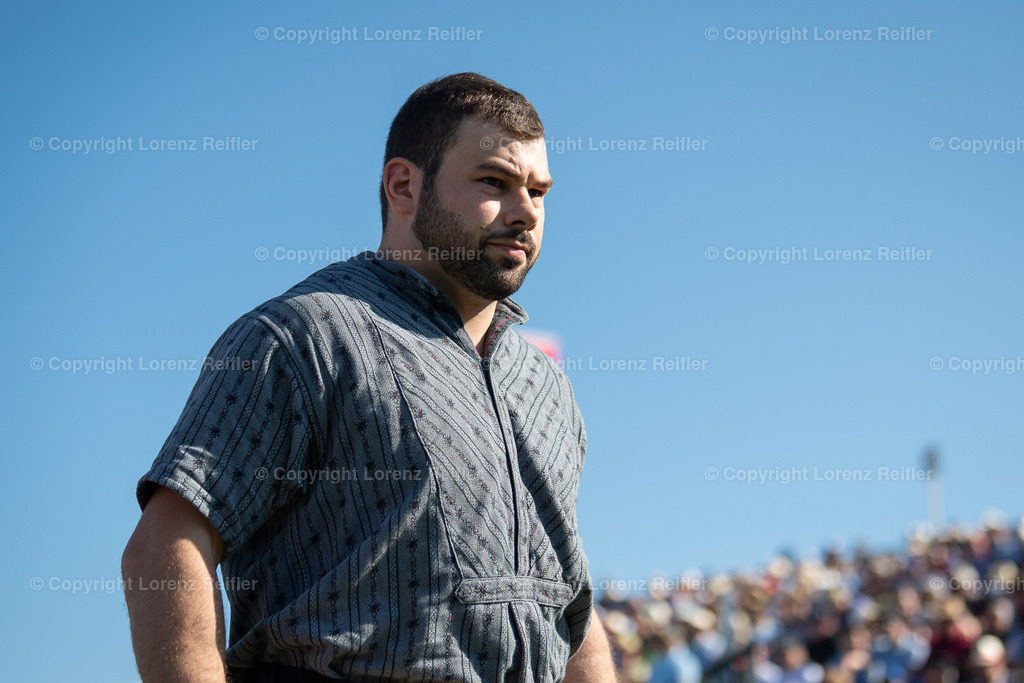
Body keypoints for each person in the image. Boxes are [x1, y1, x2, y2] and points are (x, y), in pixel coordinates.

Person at [121, 72, 616, 682]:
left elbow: (567, 607)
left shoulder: (546, 386)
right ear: (404, 185)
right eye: (494, 181)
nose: (525, 213)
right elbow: (165, 547)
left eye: (539, 192)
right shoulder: (303, 336)